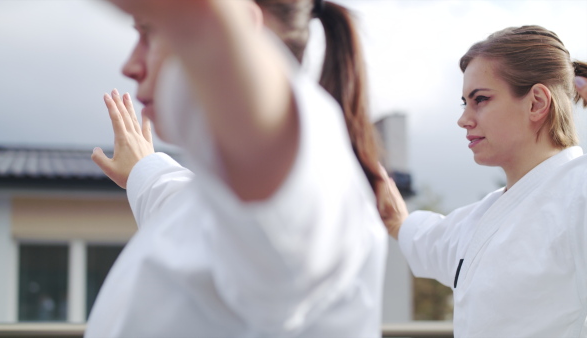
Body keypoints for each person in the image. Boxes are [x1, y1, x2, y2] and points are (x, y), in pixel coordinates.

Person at [86, 0, 387, 337]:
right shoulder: (208, 202)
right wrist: (142, 168)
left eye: (149, 32)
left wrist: (204, 25)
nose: (130, 65)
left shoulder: (315, 181)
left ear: (243, 23)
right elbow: (170, 197)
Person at [381, 25, 587, 337]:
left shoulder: (579, 193)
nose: (464, 119)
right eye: (465, 102)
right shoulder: (479, 220)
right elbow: (424, 237)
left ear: (536, 103)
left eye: (480, 99)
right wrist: (390, 210)